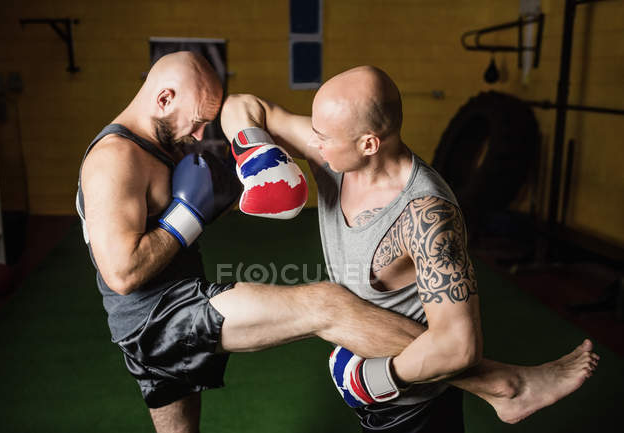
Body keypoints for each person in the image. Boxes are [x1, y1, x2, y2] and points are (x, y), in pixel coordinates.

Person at [77, 51, 519, 432]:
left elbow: (240, 110)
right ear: (163, 99)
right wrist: (187, 215)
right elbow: (121, 273)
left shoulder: (157, 141)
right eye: (196, 124)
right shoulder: (114, 160)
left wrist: (255, 158)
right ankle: (496, 383)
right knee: (328, 304)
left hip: (161, 316)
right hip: (158, 319)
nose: (198, 137)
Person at [218, 65, 599, 432]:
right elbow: (244, 104)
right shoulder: (332, 155)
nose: (311, 142)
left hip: (414, 406)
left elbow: (458, 345)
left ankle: (508, 389)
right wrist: (257, 156)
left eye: (324, 136)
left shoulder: (427, 216)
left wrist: (373, 378)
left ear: (368, 143)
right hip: (377, 388)